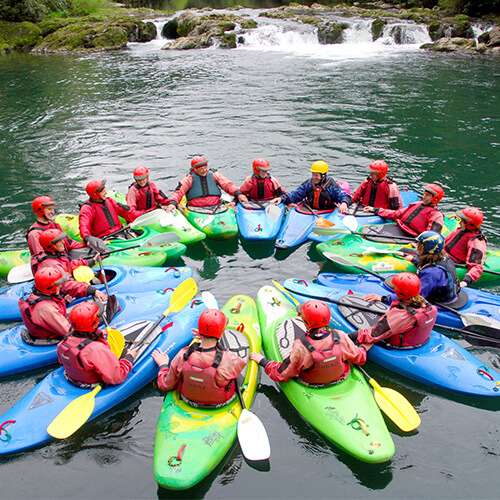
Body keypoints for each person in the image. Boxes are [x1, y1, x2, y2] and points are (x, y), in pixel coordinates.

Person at [250, 300, 368, 384]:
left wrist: (263, 361)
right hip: (341, 377)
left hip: (312, 383)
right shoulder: (340, 336)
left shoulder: (301, 345)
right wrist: (363, 347)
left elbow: (283, 374)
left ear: (306, 323)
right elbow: (360, 357)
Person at [152, 309, 246, 407]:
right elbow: (237, 368)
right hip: (221, 402)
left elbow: (165, 385)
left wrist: (163, 365)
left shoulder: (183, 355)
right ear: (221, 333)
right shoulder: (229, 359)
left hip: (188, 399)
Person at [365, 231, 462, 306]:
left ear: (424, 248)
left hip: (440, 302)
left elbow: (415, 296)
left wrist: (384, 299)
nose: (417, 246)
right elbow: (426, 262)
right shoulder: (443, 257)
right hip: (444, 291)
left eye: (419, 244)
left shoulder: (432, 273)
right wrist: (415, 260)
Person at [57, 302, 137, 387]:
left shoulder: (65, 341)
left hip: (73, 378)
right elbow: (116, 377)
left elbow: (62, 361)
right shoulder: (96, 349)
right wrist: (129, 358)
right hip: (92, 385)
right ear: (94, 323)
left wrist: (99, 333)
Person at [349, 273, 437, 349]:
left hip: (401, 346)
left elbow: (373, 334)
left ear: (400, 293)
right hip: (421, 340)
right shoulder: (426, 304)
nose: (394, 290)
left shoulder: (402, 315)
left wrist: (349, 336)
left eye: (395, 289)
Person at [33, 228, 107, 303]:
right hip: (61, 296)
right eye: (59, 241)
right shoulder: (51, 265)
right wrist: (90, 290)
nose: (63, 242)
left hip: (66, 288)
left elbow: (68, 264)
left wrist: (90, 262)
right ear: (51, 246)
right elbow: (66, 285)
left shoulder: (57, 256)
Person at [165, 157, 248, 212]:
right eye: (201, 169)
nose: (204, 170)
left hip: (216, 207)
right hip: (196, 209)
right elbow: (178, 193)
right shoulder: (188, 179)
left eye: (205, 168)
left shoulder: (214, 174)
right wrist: (173, 204)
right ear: (194, 169)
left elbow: (228, 185)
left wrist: (239, 194)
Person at [363, 183, 444, 236]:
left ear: (435, 199)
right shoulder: (416, 204)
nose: (424, 197)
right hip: (398, 227)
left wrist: (419, 245)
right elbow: (396, 214)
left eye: (427, 195)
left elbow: (431, 236)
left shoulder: (436, 215)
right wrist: (376, 210)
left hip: (411, 236)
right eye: (424, 194)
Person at [272, 161, 351, 214]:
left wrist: (344, 203)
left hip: (327, 212)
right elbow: (296, 194)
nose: (314, 177)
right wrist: (282, 198)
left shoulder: (331, 185)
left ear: (323, 176)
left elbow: (345, 197)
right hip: (309, 211)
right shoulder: (309, 184)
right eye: (313, 174)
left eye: (316, 175)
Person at [19, 268, 72, 340]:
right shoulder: (46, 309)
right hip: (50, 337)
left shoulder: (35, 295)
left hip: (46, 322)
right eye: (58, 285)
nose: (60, 286)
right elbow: (68, 332)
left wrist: (65, 302)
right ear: (50, 288)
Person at [79, 179, 135, 246]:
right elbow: (84, 228)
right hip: (105, 238)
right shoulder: (87, 209)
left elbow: (125, 212)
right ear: (96, 195)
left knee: (135, 239)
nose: (105, 193)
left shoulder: (109, 200)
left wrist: (130, 221)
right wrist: (89, 240)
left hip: (121, 231)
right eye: (103, 192)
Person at [445, 207, 487, 287]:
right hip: (443, 255)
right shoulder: (460, 230)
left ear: (469, 224)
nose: (459, 223)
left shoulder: (476, 241)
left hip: (452, 262)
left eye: (462, 221)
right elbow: (443, 242)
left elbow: (476, 266)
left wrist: (466, 281)